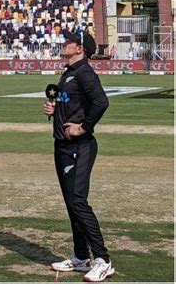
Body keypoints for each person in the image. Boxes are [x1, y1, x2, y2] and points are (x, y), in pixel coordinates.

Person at [42, 30, 114, 282]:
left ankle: (103, 259)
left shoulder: (84, 72)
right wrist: (54, 108)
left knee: (78, 202)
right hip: (62, 146)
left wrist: (83, 127)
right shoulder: (69, 72)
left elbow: (101, 102)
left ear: (80, 49)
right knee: (72, 204)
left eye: (70, 42)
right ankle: (81, 256)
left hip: (79, 146)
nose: (65, 43)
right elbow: (70, 102)